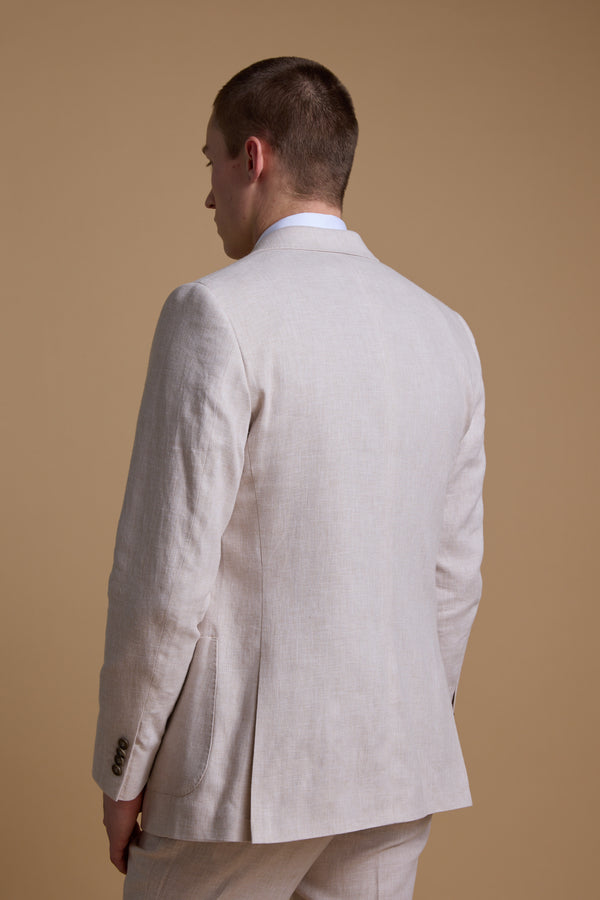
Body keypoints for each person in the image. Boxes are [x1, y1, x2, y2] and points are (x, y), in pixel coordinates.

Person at [93, 57, 485, 900]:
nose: (207, 194)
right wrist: (409, 721)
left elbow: (164, 582)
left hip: (241, 784)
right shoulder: (444, 332)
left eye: (210, 162)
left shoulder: (215, 312)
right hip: (396, 765)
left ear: (254, 158)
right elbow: (455, 577)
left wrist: (124, 766)